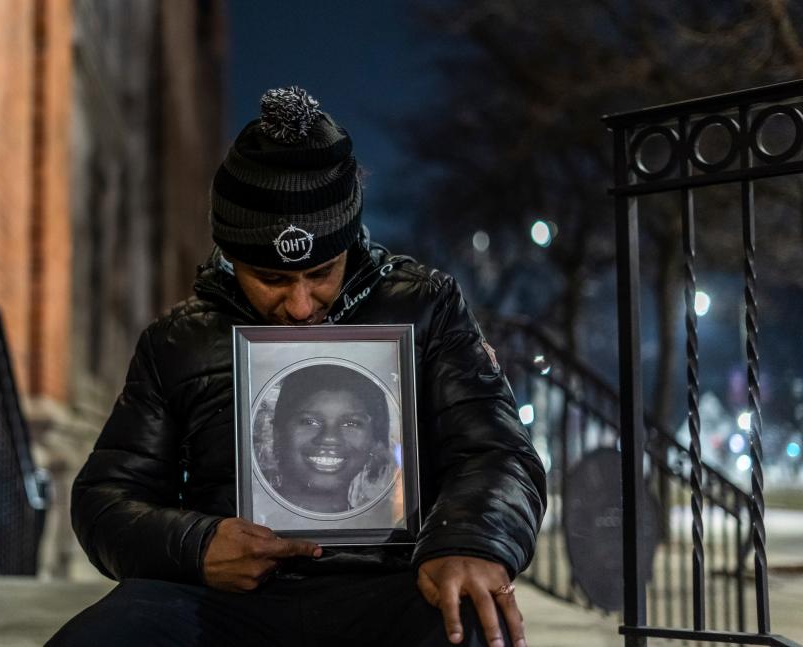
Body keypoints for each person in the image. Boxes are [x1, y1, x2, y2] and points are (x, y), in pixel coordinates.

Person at [48, 86, 546, 647]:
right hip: (218, 597)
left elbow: (497, 452)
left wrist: (470, 542)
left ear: (350, 242)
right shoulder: (178, 341)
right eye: (274, 279)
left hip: (393, 584)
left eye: (322, 272)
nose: (302, 305)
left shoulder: (426, 307)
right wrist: (196, 544)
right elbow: (106, 498)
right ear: (231, 258)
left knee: (472, 625)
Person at [265, 363, 396, 514]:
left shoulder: (387, 531)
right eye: (309, 422)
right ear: (278, 434)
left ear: (374, 443)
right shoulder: (247, 527)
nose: (329, 438)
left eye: (351, 423)